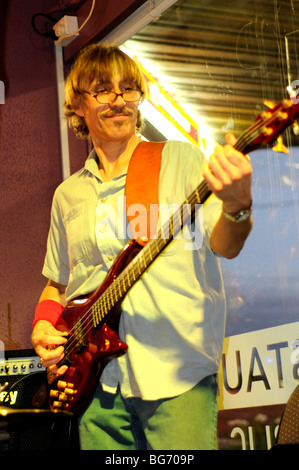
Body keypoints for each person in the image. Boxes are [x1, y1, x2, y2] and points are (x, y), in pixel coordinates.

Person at [31, 44, 252, 450]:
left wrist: (238, 206)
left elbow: (225, 244)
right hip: (95, 388)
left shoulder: (179, 159)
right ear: (78, 104)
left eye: (129, 89)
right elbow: (57, 285)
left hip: (177, 375)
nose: (119, 100)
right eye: (103, 89)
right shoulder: (67, 195)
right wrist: (43, 325)